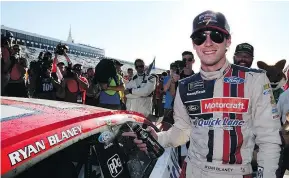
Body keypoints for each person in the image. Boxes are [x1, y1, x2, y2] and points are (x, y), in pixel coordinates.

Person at [124, 10, 281, 178]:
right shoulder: (184, 86)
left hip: (236, 173)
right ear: (194, 44)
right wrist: (158, 137)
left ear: (228, 41)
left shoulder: (254, 79)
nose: (208, 43)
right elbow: (182, 131)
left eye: (216, 35)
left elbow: (269, 139)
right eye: (200, 37)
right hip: (193, 170)